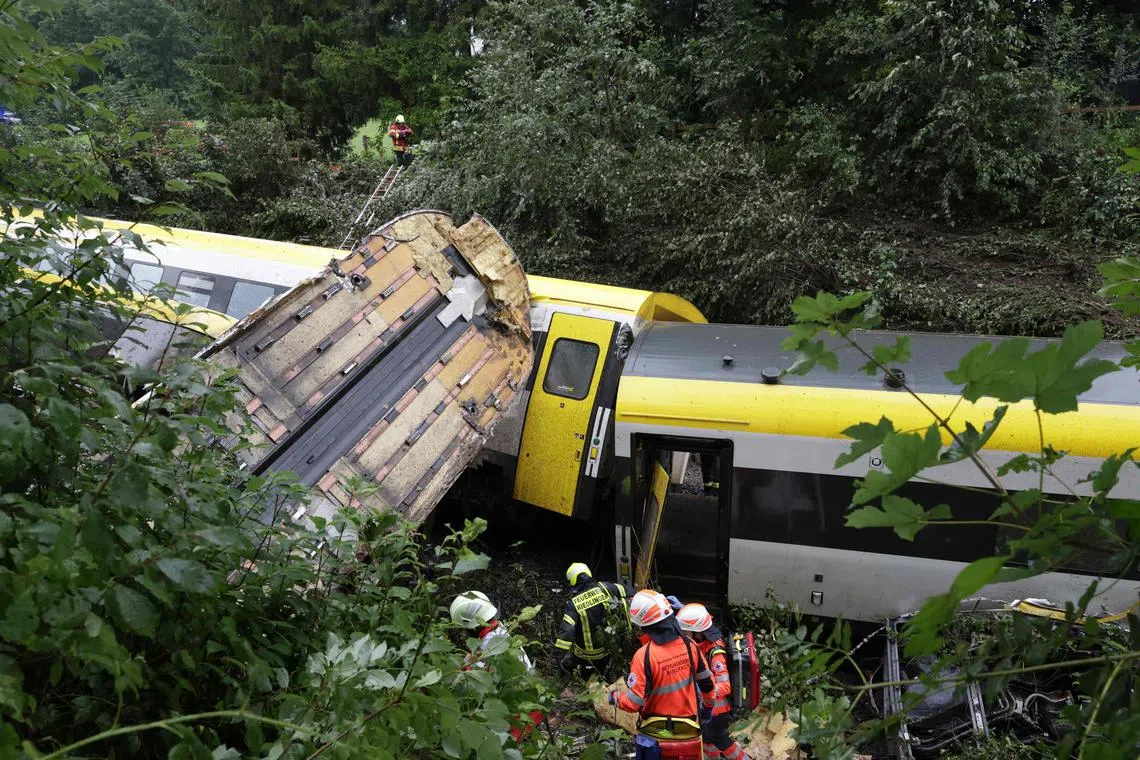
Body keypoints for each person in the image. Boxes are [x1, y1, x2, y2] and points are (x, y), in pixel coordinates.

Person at [608, 590, 715, 757]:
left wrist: (614, 697)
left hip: (656, 737)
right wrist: (707, 708)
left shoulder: (644, 656)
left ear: (643, 625)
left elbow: (632, 703)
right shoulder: (691, 646)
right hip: (689, 732)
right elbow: (707, 684)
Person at [450, 591, 542, 742]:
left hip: (519, 721)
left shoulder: (490, 646)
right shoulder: (498, 631)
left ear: (472, 626)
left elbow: (479, 686)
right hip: (531, 707)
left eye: (463, 629)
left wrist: (466, 667)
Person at [677, 603, 752, 760]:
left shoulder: (715, 653)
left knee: (723, 742)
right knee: (707, 741)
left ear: (697, 632)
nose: (683, 635)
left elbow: (725, 686)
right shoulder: (706, 638)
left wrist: (700, 690)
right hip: (707, 709)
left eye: (685, 631)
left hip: (716, 712)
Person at [553, 562, 630, 675]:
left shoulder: (574, 604)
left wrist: (556, 658)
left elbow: (567, 633)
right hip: (609, 649)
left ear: (573, 581)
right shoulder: (606, 587)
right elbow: (629, 592)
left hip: (586, 657)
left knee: (578, 671)